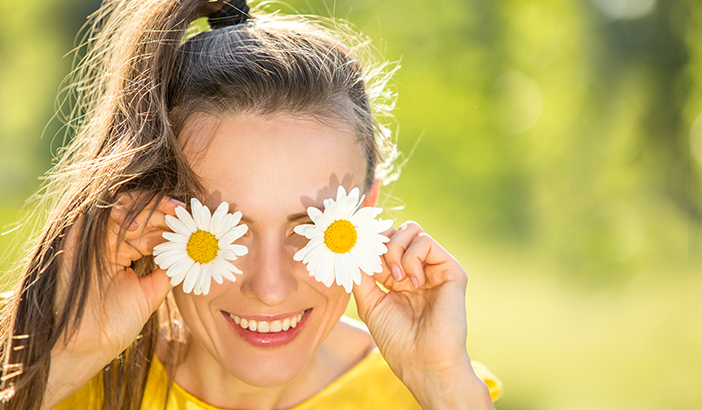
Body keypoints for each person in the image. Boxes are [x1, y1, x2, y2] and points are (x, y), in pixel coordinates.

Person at [0, 0, 502, 409]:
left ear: (366, 216)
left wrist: (439, 386)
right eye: (225, 232)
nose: (269, 288)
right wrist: (61, 359)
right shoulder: (64, 391)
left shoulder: (437, 394)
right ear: (153, 226)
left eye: (311, 228)